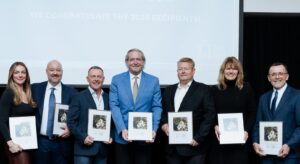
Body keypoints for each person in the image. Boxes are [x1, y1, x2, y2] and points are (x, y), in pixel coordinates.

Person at [109, 48, 162, 164]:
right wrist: (122, 129)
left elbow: (156, 107)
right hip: (122, 136)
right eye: (132, 59)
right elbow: (114, 106)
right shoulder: (116, 80)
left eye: (138, 59)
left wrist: (154, 129)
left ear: (143, 62)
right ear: (127, 62)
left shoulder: (153, 81)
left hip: (145, 136)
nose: (135, 62)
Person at [160, 57, 215, 164]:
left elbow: (209, 116)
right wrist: (164, 124)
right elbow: (163, 111)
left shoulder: (203, 89)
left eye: (186, 68)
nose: (183, 71)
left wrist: (199, 137)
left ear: (193, 71)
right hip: (172, 148)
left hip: (194, 145)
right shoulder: (169, 90)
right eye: (180, 69)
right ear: (177, 71)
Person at [207, 57, 256, 164]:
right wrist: (215, 125)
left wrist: (246, 130)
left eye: (234, 68)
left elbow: (252, 113)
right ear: (223, 71)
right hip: (219, 140)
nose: (231, 71)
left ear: (238, 71)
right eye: (228, 68)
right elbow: (210, 113)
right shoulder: (214, 90)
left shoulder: (246, 88)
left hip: (239, 141)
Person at [252, 62, 300, 163]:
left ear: (287, 76)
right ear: (269, 78)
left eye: (280, 73)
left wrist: (289, 145)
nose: (277, 77)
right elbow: (257, 125)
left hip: (289, 157)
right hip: (266, 157)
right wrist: (255, 142)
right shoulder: (263, 98)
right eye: (273, 74)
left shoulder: (297, 96)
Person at [31, 60, 77, 164]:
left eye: (58, 70)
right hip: (41, 142)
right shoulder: (35, 88)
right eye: (52, 70)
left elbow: (77, 116)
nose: (55, 73)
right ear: (46, 72)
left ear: (62, 72)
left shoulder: (72, 92)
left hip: (62, 143)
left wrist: (70, 129)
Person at [67, 66, 112, 164]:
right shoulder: (78, 97)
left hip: (102, 150)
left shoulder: (109, 98)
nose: (96, 79)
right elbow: (71, 121)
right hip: (83, 149)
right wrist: (83, 137)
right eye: (93, 76)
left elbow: (112, 122)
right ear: (87, 79)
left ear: (103, 79)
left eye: (99, 77)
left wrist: (110, 136)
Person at [0, 62, 36, 164]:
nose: (20, 75)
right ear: (11, 75)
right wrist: (10, 144)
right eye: (16, 72)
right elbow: (1, 121)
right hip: (15, 143)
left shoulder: (28, 93)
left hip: (29, 142)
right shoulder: (8, 93)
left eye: (23, 72)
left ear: (26, 75)